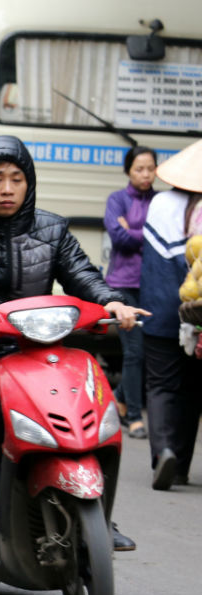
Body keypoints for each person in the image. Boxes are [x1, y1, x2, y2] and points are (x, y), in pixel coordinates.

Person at [0, 135, 146, 559]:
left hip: (39, 349)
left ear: (29, 183)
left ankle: (98, 509)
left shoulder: (52, 228)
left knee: (95, 394)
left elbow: (83, 275)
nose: (7, 188)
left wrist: (112, 301)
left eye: (17, 179)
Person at [139, 137, 202, 491]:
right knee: (193, 389)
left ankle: (163, 451)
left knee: (162, 384)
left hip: (161, 309)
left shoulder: (160, 203)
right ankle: (180, 467)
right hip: (199, 313)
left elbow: (152, 261)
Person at [104, 145, 159, 440]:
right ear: (128, 171)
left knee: (150, 351)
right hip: (122, 285)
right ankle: (135, 418)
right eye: (139, 169)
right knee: (134, 352)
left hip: (153, 284)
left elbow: (160, 235)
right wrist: (145, 233)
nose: (146, 174)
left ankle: (120, 397)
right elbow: (119, 238)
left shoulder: (161, 201)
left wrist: (135, 231)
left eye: (150, 168)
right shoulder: (117, 199)